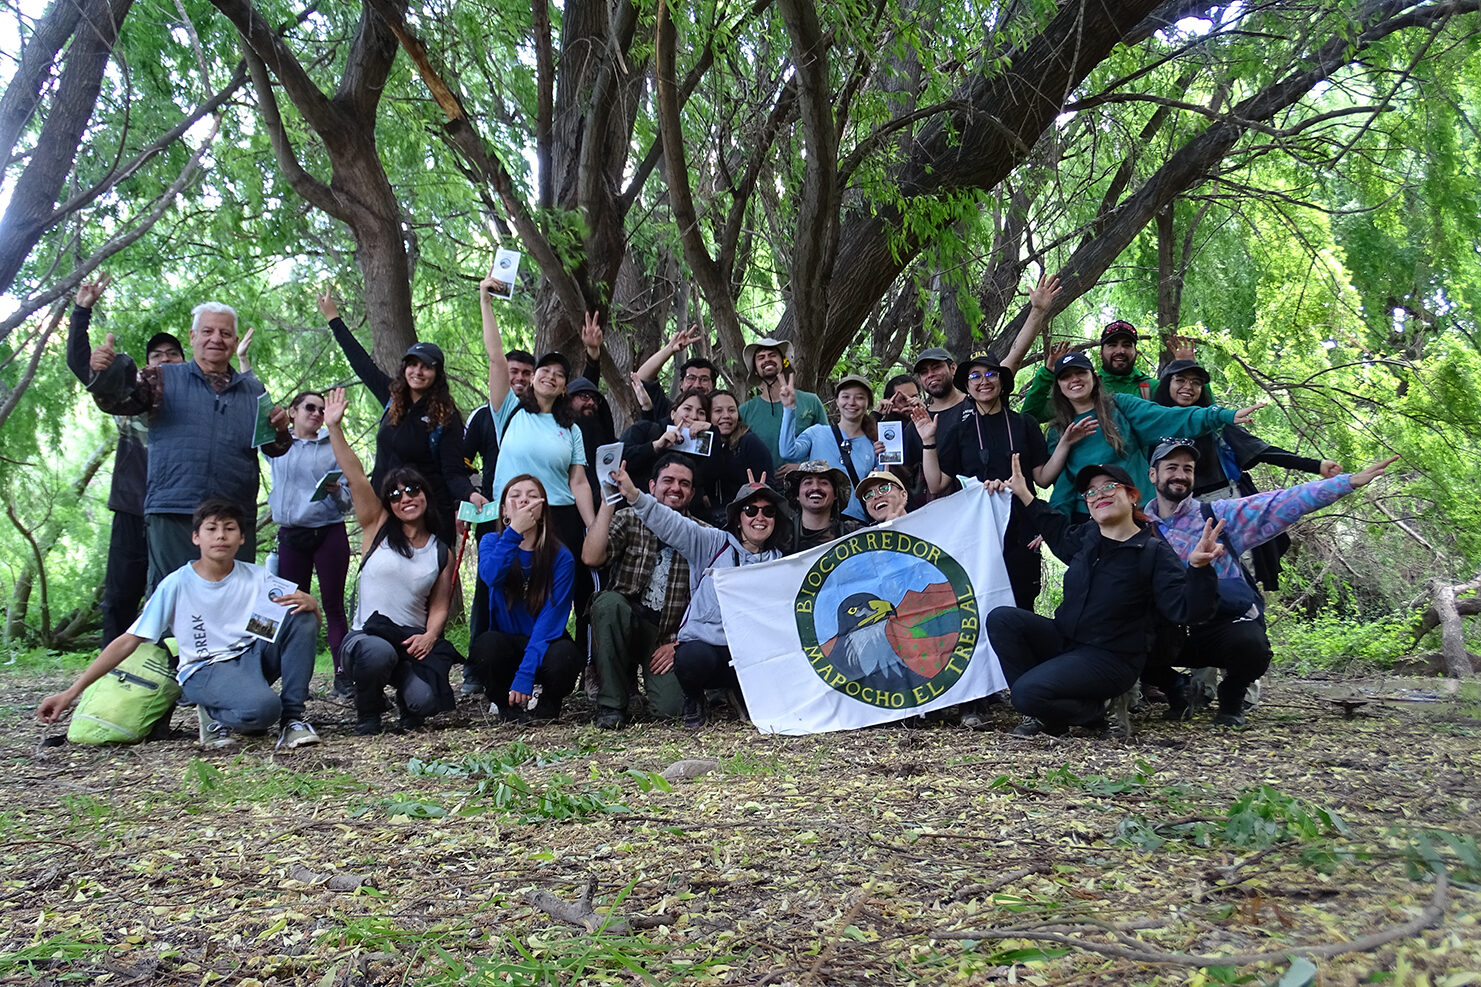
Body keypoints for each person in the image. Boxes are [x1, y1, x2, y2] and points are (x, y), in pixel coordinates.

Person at [1142, 440, 1398, 727]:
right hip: (1170, 630)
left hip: (1220, 623)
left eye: (1187, 469)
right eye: (1171, 468)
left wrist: (1346, 483)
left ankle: (1232, 696)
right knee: (1120, 639)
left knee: (1252, 646)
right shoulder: (1138, 527)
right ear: (1153, 474)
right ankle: (1178, 688)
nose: (1180, 475)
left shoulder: (1217, 516)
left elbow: (1282, 501)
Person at [37, 499, 323, 751]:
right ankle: (214, 713)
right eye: (211, 529)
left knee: (301, 613)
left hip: (251, 657)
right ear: (196, 537)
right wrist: (71, 692)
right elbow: (129, 640)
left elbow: (303, 629)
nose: (220, 536)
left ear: (242, 538)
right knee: (264, 711)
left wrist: (314, 606)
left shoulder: (257, 577)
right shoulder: (177, 584)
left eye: (229, 528)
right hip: (205, 667)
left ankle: (293, 721)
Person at [985, 457, 1223, 737]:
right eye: (1091, 492)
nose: (1099, 495)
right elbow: (1055, 529)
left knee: (1025, 693)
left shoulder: (1153, 552)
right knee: (1003, 619)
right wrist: (1024, 494)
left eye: (1109, 487)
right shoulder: (1087, 536)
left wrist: (1199, 570)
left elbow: (1189, 610)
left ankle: (1101, 710)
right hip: (1068, 641)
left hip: (1111, 659)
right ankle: (1046, 715)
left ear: (1132, 496)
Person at [86, 299, 293, 591]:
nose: (216, 339)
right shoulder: (160, 377)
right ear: (193, 337)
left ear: (235, 342)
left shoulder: (254, 390)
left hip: (234, 517)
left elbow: (273, 447)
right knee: (172, 601)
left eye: (225, 333)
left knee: (232, 602)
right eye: (207, 331)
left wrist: (281, 429)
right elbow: (117, 402)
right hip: (174, 509)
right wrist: (104, 374)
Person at [611, 464, 793, 728]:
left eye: (769, 512)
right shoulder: (712, 544)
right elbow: (672, 525)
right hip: (709, 649)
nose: (759, 517)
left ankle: (741, 693)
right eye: (750, 510)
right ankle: (694, 697)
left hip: (752, 654)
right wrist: (634, 496)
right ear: (738, 518)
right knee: (692, 658)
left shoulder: (782, 564)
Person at [324, 389, 461, 736]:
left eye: (413, 490)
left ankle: (405, 699)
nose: (405, 498)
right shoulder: (377, 527)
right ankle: (368, 710)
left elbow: (440, 604)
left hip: (410, 643)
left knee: (426, 701)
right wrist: (334, 428)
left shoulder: (440, 550)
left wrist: (430, 636)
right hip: (366, 639)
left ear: (426, 494)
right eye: (396, 494)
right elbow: (355, 475)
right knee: (377, 653)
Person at [65, 276, 186, 643]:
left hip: (178, 514)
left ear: (184, 360)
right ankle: (111, 670)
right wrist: (81, 312)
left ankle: (174, 667)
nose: (165, 360)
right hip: (132, 509)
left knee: (175, 597)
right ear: (147, 364)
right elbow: (86, 370)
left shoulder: (196, 400)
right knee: (120, 596)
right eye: (156, 355)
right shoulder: (133, 394)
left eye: (172, 354)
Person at [1153, 358, 1341, 590]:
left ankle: (1246, 609)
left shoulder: (1216, 423)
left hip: (1223, 504)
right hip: (1176, 511)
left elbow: (1262, 451)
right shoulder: (1151, 425)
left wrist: (1316, 465)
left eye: (1196, 383)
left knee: (1238, 570)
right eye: (1180, 380)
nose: (1188, 387)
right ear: (1166, 385)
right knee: (1189, 574)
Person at [480, 277, 599, 640]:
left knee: (575, 587)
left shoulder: (571, 428)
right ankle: (490, 657)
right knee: (499, 583)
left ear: (564, 388)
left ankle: (581, 658)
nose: (551, 376)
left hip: (560, 516)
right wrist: (486, 302)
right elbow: (497, 360)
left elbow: (578, 482)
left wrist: (592, 527)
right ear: (532, 379)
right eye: (544, 371)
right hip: (511, 512)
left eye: (559, 375)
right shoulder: (509, 411)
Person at [318, 289, 473, 547]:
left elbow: (453, 472)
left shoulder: (445, 416)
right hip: (385, 508)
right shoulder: (392, 398)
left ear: (437, 374)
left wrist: (469, 495)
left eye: (426, 367)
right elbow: (362, 364)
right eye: (412, 364)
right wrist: (334, 319)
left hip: (428, 517)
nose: (418, 371)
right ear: (404, 368)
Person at [1039, 350, 1263, 520]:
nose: (1074, 379)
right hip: (1097, 521)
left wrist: (1222, 415)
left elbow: (1171, 418)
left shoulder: (1121, 406)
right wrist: (1056, 524)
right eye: (1066, 376)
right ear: (1058, 385)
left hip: (1142, 513)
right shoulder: (1058, 431)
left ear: (1094, 377)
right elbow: (1065, 484)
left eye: (1080, 372)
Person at [914, 352, 1055, 608]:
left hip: (1023, 528)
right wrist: (928, 441)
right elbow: (936, 484)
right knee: (985, 604)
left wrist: (1066, 442)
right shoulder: (960, 430)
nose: (984, 381)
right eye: (975, 376)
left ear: (1002, 381)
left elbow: (1043, 479)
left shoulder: (1025, 424)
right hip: (979, 532)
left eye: (991, 374)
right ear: (967, 387)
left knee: (1023, 602)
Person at [581, 453, 700, 728]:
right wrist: (607, 504)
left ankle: (643, 680)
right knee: (608, 604)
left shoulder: (700, 534)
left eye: (684, 483)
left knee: (670, 710)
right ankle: (612, 704)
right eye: (668, 480)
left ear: (692, 493)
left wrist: (679, 644)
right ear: (652, 486)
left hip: (665, 634)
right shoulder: (629, 518)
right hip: (625, 618)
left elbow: (709, 604)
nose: (675, 488)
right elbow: (591, 557)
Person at [467, 475, 582, 722]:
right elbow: (491, 576)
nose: (523, 501)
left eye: (532, 496)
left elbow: (549, 623)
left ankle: (549, 704)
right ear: (503, 510)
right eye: (515, 496)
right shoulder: (491, 542)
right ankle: (506, 707)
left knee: (566, 655)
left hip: (545, 642)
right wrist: (514, 533)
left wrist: (526, 674)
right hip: (505, 644)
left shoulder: (561, 557)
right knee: (486, 647)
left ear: (542, 509)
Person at [460, 348, 537, 694]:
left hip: (539, 514)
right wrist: (471, 494)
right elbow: (462, 460)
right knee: (487, 587)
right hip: (494, 516)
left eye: (525, 373)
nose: (518, 379)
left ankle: (533, 660)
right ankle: (476, 669)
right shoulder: (484, 415)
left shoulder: (542, 416)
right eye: (513, 372)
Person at [268, 391, 353, 696]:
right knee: (291, 608)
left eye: (321, 409)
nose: (316, 414)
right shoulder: (277, 445)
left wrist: (335, 490)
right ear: (292, 411)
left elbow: (349, 502)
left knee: (333, 606)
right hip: (292, 534)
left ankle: (344, 677)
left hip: (329, 532)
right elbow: (258, 417)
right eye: (310, 408)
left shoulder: (334, 444)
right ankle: (293, 683)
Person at [778, 374, 882, 520]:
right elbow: (788, 452)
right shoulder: (817, 433)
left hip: (857, 523)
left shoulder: (874, 444)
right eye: (845, 397)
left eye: (859, 397)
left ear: (868, 403)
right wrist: (789, 409)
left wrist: (883, 457)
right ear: (837, 402)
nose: (851, 402)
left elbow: (881, 486)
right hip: (819, 521)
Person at [1020, 318, 1159, 423]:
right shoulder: (1082, 388)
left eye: (1127, 345)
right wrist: (1048, 373)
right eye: (1112, 345)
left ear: (1136, 352)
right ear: (1101, 353)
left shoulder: (1151, 388)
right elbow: (1030, 417)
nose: (1120, 351)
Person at [738, 337, 828, 470]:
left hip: (806, 481)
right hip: (762, 482)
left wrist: (802, 467)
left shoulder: (811, 401)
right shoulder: (744, 411)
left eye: (772, 355)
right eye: (761, 357)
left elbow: (827, 447)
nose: (767, 359)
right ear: (755, 370)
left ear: (784, 362)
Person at [701, 389, 774, 525]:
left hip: (744, 519)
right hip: (708, 520)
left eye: (731, 410)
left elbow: (768, 485)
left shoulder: (749, 442)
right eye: (718, 411)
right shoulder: (703, 443)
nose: (726, 416)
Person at [620, 387, 713, 491]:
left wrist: (713, 430)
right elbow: (617, 459)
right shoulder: (645, 428)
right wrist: (655, 446)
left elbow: (712, 478)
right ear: (673, 414)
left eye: (701, 412)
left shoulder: (706, 446)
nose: (694, 416)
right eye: (687, 409)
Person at [632, 324, 720, 423]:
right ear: (681, 384)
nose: (697, 385)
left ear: (713, 385)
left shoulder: (720, 418)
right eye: (691, 378)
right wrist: (670, 349)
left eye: (704, 379)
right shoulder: (668, 410)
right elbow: (641, 378)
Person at [785, 460, 862, 552]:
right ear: (797, 495)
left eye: (823, 483)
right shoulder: (781, 533)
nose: (815, 487)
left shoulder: (853, 533)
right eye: (808, 483)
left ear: (835, 495)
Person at [912, 348, 965, 418]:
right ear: (919, 380)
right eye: (924, 372)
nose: (930, 375)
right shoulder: (920, 420)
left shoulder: (976, 405)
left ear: (953, 368)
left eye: (936, 367)